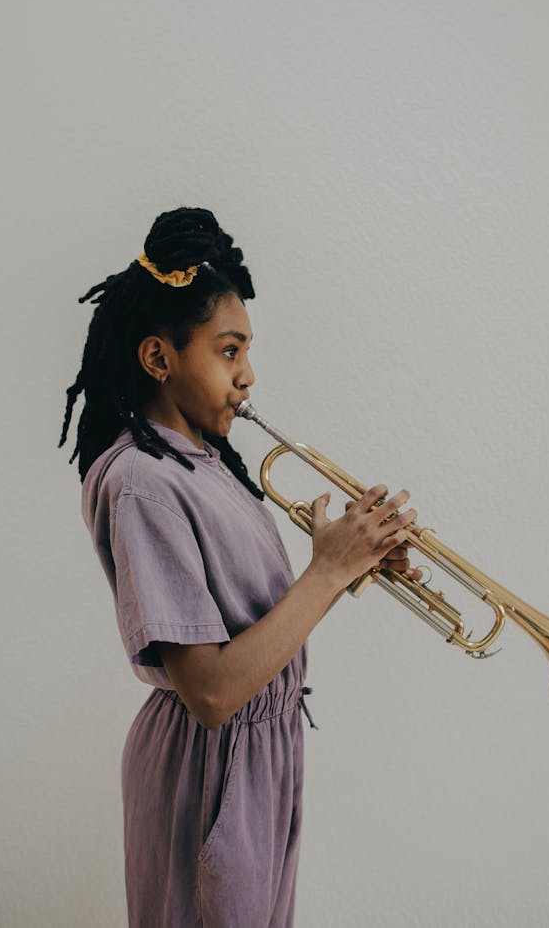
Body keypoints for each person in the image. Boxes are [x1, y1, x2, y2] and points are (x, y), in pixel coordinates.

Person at [59, 207, 419, 928]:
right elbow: (213, 692)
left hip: (259, 760)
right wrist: (323, 572)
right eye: (228, 351)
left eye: (247, 351)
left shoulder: (206, 466)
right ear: (160, 359)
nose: (247, 375)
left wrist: (348, 566)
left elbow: (251, 638)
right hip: (211, 770)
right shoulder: (143, 480)